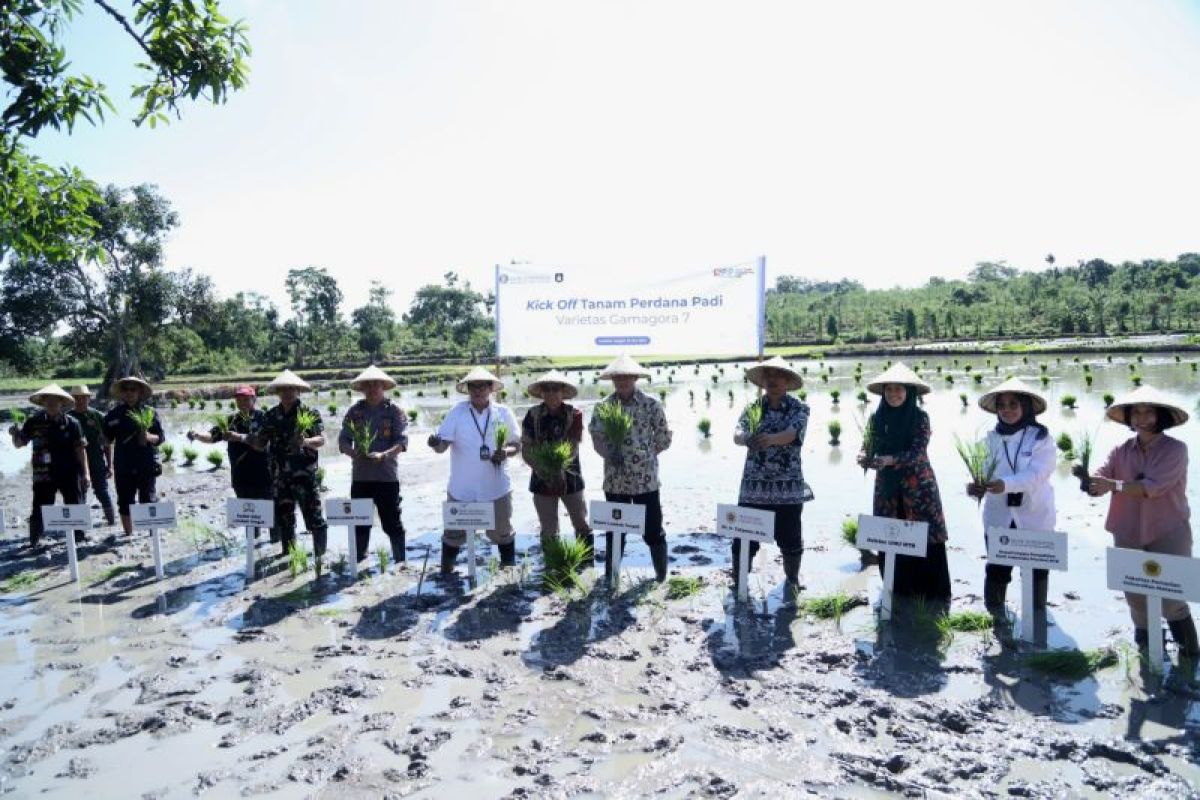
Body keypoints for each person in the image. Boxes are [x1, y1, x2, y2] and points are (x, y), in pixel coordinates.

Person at [1083, 386, 1198, 657]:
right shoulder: (1121, 450)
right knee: (1135, 596)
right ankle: (1147, 651)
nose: (1141, 417)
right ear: (1128, 417)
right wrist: (1091, 483)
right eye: (1136, 411)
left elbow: (1153, 486)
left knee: (1172, 598)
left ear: (1161, 416)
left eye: (1148, 411)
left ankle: (1190, 654)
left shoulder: (1176, 450)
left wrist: (1113, 485)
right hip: (1127, 529)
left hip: (1168, 530)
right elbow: (1104, 473)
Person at [857, 363, 950, 609]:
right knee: (891, 535)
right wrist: (863, 454)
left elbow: (918, 453)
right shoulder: (877, 418)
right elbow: (868, 443)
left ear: (909, 392)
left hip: (918, 489)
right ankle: (897, 592)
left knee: (925, 538)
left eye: (899, 389)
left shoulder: (920, 418)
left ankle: (932, 598)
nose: (894, 394)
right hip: (887, 489)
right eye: (889, 390)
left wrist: (890, 460)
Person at [970, 378, 1056, 618]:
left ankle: (1037, 616)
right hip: (999, 516)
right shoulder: (988, 440)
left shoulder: (1041, 438)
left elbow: (1038, 474)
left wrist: (1005, 484)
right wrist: (975, 487)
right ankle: (995, 618)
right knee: (997, 568)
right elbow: (980, 472)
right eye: (1002, 405)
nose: (1007, 410)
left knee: (1037, 570)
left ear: (1026, 407)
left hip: (1034, 514)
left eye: (1013, 404)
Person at [428, 366, 521, 574]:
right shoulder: (457, 412)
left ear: (490, 388)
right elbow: (442, 446)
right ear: (468, 389)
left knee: (503, 533)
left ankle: (509, 573)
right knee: (453, 535)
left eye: (482, 386)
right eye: (473, 386)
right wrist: (435, 443)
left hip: (496, 488)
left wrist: (505, 452)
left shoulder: (504, 412)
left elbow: (517, 444)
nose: (478, 390)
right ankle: (446, 572)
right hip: (462, 489)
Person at [588, 354, 673, 582]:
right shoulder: (603, 408)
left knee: (653, 530)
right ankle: (611, 577)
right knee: (615, 530)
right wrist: (609, 453)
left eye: (627, 376)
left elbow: (664, 438)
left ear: (635, 377)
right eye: (618, 377)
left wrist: (645, 455)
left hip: (646, 480)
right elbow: (597, 439)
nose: (623, 381)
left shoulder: (651, 405)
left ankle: (660, 576)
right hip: (615, 480)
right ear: (613, 379)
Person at [732, 356, 812, 595]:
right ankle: (738, 582)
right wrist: (747, 439)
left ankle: (792, 580)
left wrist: (768, 440)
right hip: (754, 488)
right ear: (763, 381)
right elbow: (737, 433)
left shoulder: (799, 408)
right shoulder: (753, 408)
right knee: (743, 538)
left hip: (787, 489)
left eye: (779, 376)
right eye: (769, 376)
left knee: (791, 540)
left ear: (787, 381)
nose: (773, 380)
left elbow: (792, 434)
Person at [250, 370, 328, 558]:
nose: (287, 393)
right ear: (278, 392)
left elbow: (322, 439)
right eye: (283, 389)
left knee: (314, 517)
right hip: (280, 476)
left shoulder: (309, 413)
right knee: (285, 518)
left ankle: (320, 557)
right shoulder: (271, 415)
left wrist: (305, 442)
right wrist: (250, 439)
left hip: (304, 475)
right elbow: (261, 442)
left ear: (298, 390)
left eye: (291, 389)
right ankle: (289, 556)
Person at [338, 365, 409, 564]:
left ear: (383, 386)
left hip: (386, 476)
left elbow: (402, 442)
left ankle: (400, 560)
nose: (371, 389)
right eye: (367, 385)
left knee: (392, 521)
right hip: (361, 477)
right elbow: (343, 440)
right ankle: (360, 558)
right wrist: (354, 454)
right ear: (362, 388)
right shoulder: (355, 411)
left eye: (375, 385)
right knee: (360, 521)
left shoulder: (394, 411)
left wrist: (384, 455)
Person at [188, 384, 274, 542]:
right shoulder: (231, 420)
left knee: (270, 512)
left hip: (264, 474)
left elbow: (263, 443)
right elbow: (213, 436)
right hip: (240, 475)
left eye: (246, 399)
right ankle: (252, 546)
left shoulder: (264, 418)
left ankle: (275, 544)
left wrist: (238, 437)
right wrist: (197, 435)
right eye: (239, 399)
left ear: (254, 399)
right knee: (249, 513)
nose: (242, 402)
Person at [520, 369, 592, 556]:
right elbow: (526, 449)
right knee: (549, 527)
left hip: (570, 477)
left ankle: (585, 564)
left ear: (562, 391)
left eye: (556, 389)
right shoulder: (532, 415)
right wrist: (541, 469)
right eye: (547, 389)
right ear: (542, 392)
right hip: (540, 477)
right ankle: (552, 566)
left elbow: (573, 446)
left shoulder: (574, 414)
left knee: (581, 522)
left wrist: (559, 469)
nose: (551, 393)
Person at [9, 384, 89, 548]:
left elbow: (81, 450)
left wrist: (86, 474)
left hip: (69, 471)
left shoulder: (72, 423)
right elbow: (19, 444)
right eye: (48, 400)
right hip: (43, 472)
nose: (51, 403)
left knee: (75, 501)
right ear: (43, 402)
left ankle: (79, 537)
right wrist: (14, 434)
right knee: (40, 505)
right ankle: (35, 539)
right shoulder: (34, 421)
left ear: (61, 402)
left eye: (55, 400)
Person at [103, 376, 164, 537]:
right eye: (126, 389)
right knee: (124, 501)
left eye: (133, 389)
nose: (129, 393)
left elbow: (160, 438)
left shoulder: (150, 412)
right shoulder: (113, 415)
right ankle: (128, 535)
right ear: (122, 393)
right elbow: (106, 439)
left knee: (148, 498)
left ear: (140, 392)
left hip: (146, 464)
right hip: (123, 465)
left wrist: (148, 437)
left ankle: (152, 535)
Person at [68, 385, 115, 526]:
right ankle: (80, 527)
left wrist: (110, 465)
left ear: (89, 398)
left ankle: (112, 522)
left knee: (102, 491)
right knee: (78, 494)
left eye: (83, 398)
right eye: (77, 398)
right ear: (72, 399)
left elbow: (107, 443)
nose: (80, 400)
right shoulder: (68, 418)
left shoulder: (98, 417)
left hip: (96, 461)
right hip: (75, 464)